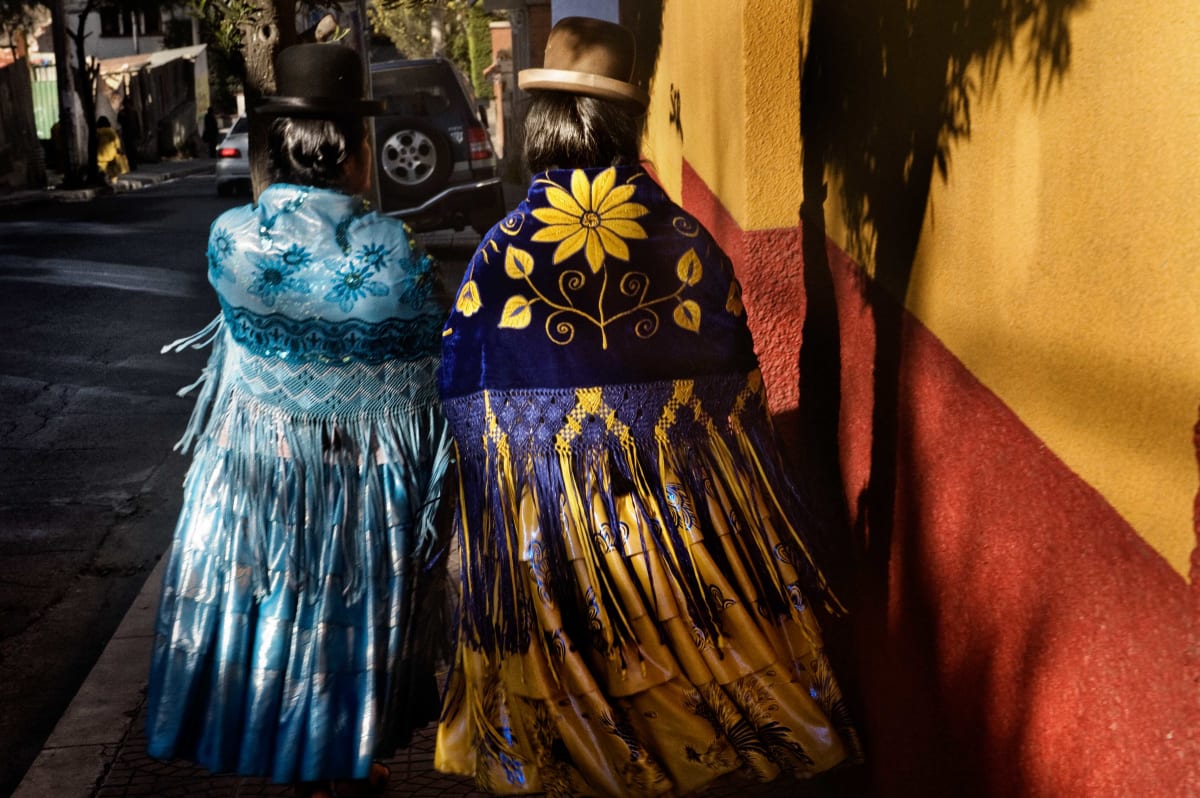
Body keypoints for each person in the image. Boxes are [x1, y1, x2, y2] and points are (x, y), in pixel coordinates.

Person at [433, 16, 861, 798]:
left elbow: (464, 401)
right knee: (696, 704)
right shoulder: (687, 239)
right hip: (679, 527)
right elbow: (740, 401)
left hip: (551, 537)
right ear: (626, 121)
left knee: (578, 729)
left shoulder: (503, 251)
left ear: (544, 123)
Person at [145, 43, 454, 798]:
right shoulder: (399, 255)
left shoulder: (231, 240)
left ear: (280, 144)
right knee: (346, 623)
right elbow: (422, 388)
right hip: (361, 489)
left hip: (255, 478)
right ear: (353, 154)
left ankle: (298, 760)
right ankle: (347, 763)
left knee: (279, 614)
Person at [95, 116, 129, 182]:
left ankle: (103, 180)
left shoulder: (97, 132)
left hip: (100, 155)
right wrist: (119, 149)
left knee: (102, 170)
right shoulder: (111, 131)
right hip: (111, 155)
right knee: (113, 172)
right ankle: (113, 182)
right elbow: (116, 141)